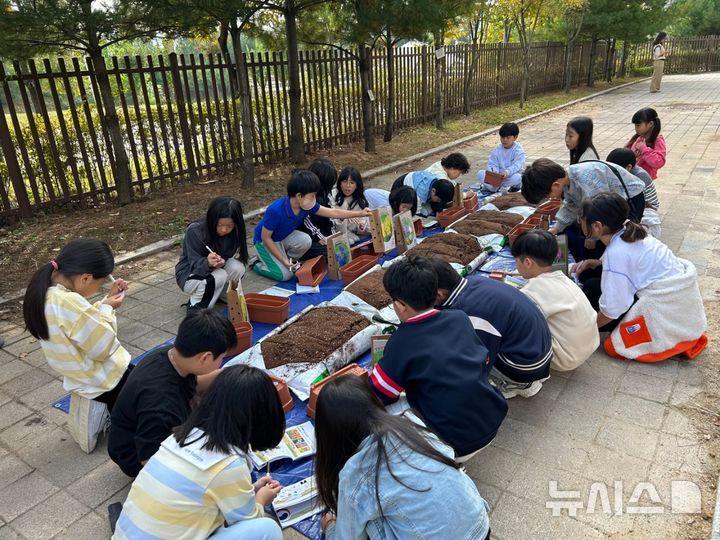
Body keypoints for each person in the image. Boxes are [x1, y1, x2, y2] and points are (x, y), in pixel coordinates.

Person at [113, 365, 286, 540]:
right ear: (261, 417)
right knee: (267, 529)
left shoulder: (181, 436)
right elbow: (249, 520)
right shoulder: (230, 464)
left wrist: (250, 491)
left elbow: (205, 488)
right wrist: (262, 499)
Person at [315, 376, 491, 540]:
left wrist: (330, 527)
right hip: (480, 527)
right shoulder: (411, 425)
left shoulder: (355, 473)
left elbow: (347, 537)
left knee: (371, 518)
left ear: (330, 437)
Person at [369, 256, 507, 461]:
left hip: (454, 442)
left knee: (384, 415)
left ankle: (442, 461)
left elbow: (380, 393)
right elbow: (483, 360)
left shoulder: (402, 341)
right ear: (436, 293)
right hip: (492, 418)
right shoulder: (458, 317)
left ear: (400, 305)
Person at [23, 238, 130, 453]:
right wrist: (109, 310)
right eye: (99, 285)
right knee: (146, 389)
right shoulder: (69, 302)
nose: (98, 288)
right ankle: (117, 418)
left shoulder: (46, 291)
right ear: (85, 278)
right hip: (100, 378)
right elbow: (104, 346)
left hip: (76, 374)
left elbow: (81, 324)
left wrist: (104, 303)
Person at [573, 193, 707, 362]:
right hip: (678, 300)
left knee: (592, 288)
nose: (579, 221)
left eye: (581, 218)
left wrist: (587, 331)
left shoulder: (617, 253)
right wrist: (598, 263)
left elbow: (614, 308)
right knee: (591, 278)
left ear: (597, 226)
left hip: (663, 308)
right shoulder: (631, 230)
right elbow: (634, 262)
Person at [108, 309, 236, 478]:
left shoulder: (171, 354)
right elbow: (150, 459)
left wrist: (235, 374)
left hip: (149, 429)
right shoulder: (162, 403)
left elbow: (195, 384)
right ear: (205, 357)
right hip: (136, 457)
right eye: (222, 358)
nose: (221, 363)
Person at [425, 256, 553, 398]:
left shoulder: (469, 313)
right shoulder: (474, 281)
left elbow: (476, 360)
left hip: (526, 366)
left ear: (438, 294)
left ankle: (517, 384)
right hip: (540, 348)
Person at [252, 169, 372, 282]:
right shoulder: (276, 210)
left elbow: (333, 212)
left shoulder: (305, 205)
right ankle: (256, 263)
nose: (315, 199)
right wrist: (283, 260)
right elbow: (265, 237)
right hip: (264, 241)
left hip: (283, 237)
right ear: (299, 196)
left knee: (305, 240)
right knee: (286, 275)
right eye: (312, 195)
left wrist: (360, 213)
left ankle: (284, 260)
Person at [521, 157, 645, 263]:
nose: (550, 198)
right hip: (603, 209)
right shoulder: (568, 180)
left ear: (556, 185)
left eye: (547, 196)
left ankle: (602, 268)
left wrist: (592, 237)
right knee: (567, 233)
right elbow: (571, 206)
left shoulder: (586, 181)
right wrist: (556, 228)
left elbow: (602, 210)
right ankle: (575, 266)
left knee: (605, 242)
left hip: (629, 200)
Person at [511, 230, 599, 372]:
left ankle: (523, 381)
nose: (516, 265)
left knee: (511, 330)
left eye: (516, 261)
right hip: (590, 345)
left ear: (527, 262)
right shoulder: (562, 277)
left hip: (565, 359)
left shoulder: (532, 291)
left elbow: (518, 324)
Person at [175, 196, 248, 313]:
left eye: (229, 226)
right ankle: (195, 307)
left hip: (214, 268)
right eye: (220, 225)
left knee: (238, 268)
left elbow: (228, 255)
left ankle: (223, 295)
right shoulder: (195, 231)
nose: (224, 230)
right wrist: (207, 262)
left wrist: (221, 260)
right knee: (220, 275)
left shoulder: (235, 232)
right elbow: (194, 264)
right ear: (212, 219)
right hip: (189, 273)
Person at [606, 148, 662, 239]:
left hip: (646, 208)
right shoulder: (625, 173)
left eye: (615, 170)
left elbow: (635, 201)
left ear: (628, 167)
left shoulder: (638, 176)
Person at [297, 158, 338, 260]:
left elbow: (331, 217)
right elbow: (306, 222)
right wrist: (321, 238)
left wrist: (334, 238)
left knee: (338, 248)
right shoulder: (305, 196)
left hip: (319, 235)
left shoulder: (325, 195)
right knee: (329, 251)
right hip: (304, 238)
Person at [477, 122, 526, 192]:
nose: (505, 140)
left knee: (518, 177)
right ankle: (497, 187)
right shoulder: (497, 149)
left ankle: (493, 188)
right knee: (480, 173)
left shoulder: (518, 150)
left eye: (508, 137)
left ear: (515, 137)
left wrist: (507, 172)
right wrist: (495, 173)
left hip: (509, 177)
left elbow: (517, 165)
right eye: (502, 137)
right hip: (496, 178)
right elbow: (492, 164)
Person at [330, 166, 370, 244]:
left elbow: (364, 226)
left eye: (352, 183)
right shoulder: (332, 196)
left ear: (357, 185)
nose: (347, 185)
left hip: (353, 235)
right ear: (340, 183)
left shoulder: (360, 200)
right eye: (345, 181)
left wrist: (361, 226)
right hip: (336, 234)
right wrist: (345, 217)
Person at [391, 171, 455, 217]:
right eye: (439, 200)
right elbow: (417, 214)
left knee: (431, 210)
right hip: (399, 189)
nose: (440, 202)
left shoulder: (437, 183)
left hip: (414, 182)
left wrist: (439, 211)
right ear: (433, 191)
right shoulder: (420, 194)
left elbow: (438, 204)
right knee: (425, 213)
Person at [626, 107, 666, 181]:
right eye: (635, 125)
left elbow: (659, 162)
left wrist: (644, 149)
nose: (636, 128)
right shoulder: (639, 138)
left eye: (638, 125)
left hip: (645, 179)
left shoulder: (658, 140)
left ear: (650, 124)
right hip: (634, 176)